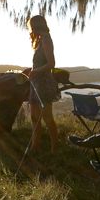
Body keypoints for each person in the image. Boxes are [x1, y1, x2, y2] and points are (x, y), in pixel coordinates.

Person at [26, 15, 59, 152]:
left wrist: (35, 71)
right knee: (34, 117)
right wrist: (31, 71)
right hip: (36, 83)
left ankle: (54, 148)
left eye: (32, 27)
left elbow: (51, 64)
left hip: (44, 83)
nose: (31, 30)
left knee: (47, 117)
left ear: (36, 26)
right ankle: (35, 146)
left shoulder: (46, 39)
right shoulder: (40, 40)